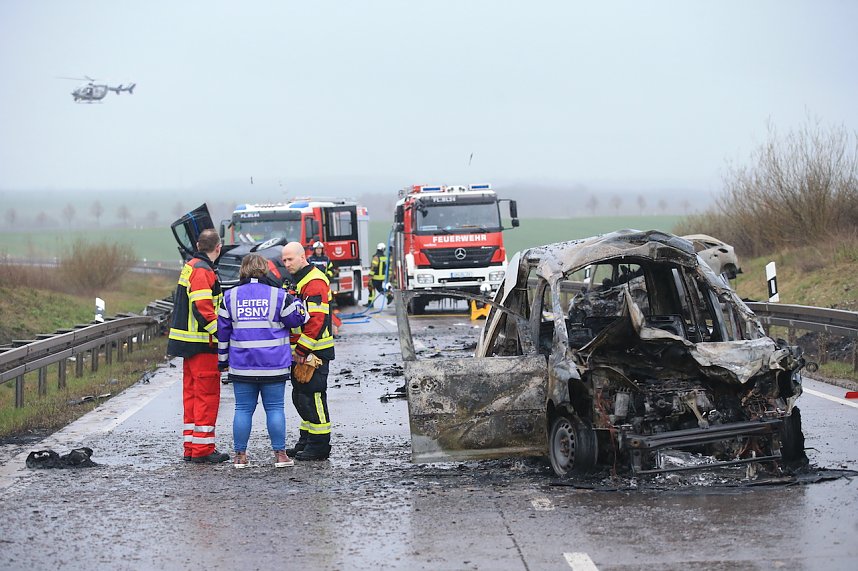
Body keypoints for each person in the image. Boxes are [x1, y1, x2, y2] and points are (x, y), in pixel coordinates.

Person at [217, 254, 309, 469]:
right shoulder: (279, 295)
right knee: (275, 408)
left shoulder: (229, 297)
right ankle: (280, 456)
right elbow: (298, 320)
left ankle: (240, 457)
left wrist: (223, 361)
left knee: (242, 409)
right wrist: (297, 303)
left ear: (243, 270)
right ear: (264, 270)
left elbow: (223, 332)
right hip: (274, 364)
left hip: (242, 364)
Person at [167, 228, 229, 464]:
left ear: (198, 244)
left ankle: (192, 447)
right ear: (218, 248)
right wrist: (223, 335)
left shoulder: (191, 265)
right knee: (206, 396)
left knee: (192, 397)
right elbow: (204, 308)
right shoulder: (203, 271)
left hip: (189, 346)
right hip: (202, 345)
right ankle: (202, 450)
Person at [280, 242, 336, 460]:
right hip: (300, 351)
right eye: (284, 260)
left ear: (302, 257)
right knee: (300, 397)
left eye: (290, 259)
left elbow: (316, 320)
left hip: (314, 352)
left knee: (314, 397)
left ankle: (320, 445)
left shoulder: (314, 281)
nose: (287, 264)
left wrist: (303, 349)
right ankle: (306, 440)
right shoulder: (300, 280)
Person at [365, 242, 387, 306]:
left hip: (376, 277)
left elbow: (374, 267)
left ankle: (370, 303)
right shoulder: (384, 257)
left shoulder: (376, 257)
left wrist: (370, 275)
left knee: (371, 288)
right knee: (380, 289)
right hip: (381, 277)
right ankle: (389, 296)